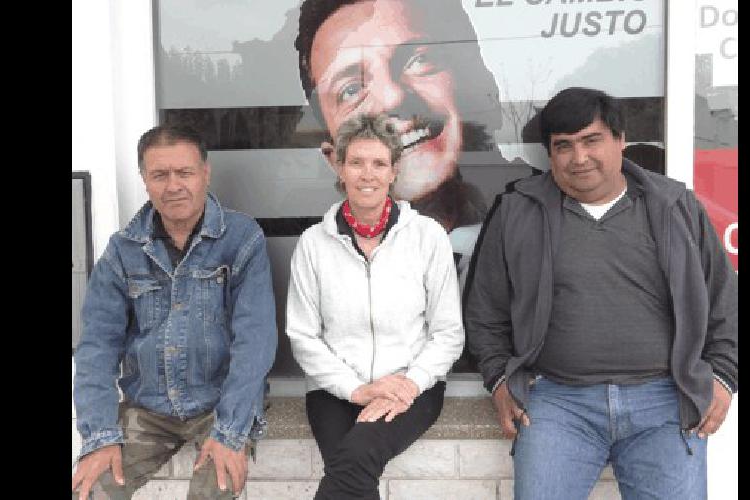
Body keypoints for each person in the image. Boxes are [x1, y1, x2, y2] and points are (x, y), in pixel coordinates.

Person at [464, 87, 738, 500]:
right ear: (550, 154)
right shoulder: (518, 211)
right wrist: (500, 379)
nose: (579, 158)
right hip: (557, 403)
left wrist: (722, 376)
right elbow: (485, 310)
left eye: (592, 140)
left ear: (620, 140)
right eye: (564, 146)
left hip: (664, 400)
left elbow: (724, 300)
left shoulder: (673, 206)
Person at [71, 125, 278, 500]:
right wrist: (100, 436)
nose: (173, 186)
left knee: (212, 492)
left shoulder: (241, 238)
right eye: (159, 175)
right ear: (145, 180)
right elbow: (96, 348)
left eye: (184, 173)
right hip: (147, 407)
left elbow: (256, 341)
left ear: (205, 173)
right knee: (87, 492)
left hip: (221, 403)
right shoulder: (122, 250)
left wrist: (231, 431)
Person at [286, 113, 465, 500]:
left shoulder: (427, 237)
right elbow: (303, 336)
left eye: (379, 163)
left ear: (393, 171)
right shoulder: (314, 244)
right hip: (334, 390)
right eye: (357, 163)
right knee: (351, 470)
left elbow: (448, 332)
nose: (367, 174)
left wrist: (407, 384)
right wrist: (357, 390)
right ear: (340, 167)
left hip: (411, 387)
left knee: (352, 461)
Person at [294, 0, 532, 287]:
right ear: (336, 160)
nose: (393, 96)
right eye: (351, 90)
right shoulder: (325, 256)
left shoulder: (550, 222)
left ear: (485, 88)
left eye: (419, 59)